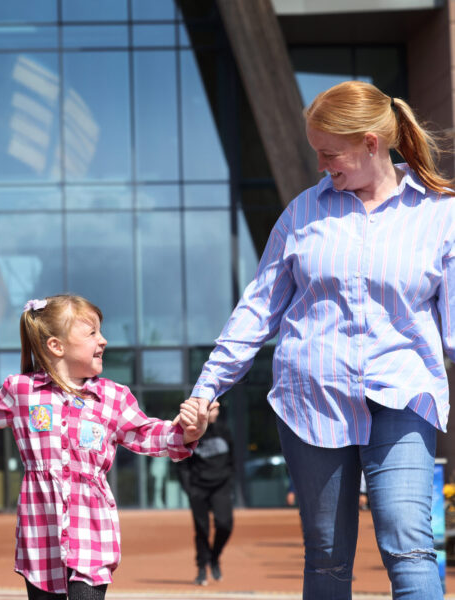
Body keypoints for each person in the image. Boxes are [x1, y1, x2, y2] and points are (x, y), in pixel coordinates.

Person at [186, 80, 454, 600]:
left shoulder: (439, 214)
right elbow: (257, 310)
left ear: (370, 144)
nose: (320, 166)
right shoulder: (303, 214)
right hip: (312, 402)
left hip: (402, 395)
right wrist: (206, 390)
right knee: (327, 556)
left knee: (409, 543)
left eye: (329, 153)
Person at [0, 295, 215, 599]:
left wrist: (186, 433)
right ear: (56, 346)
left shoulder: (114, 397)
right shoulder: (22, 391)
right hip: (39, 534)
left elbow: (147, 434)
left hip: (92, 533)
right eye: (92, 333)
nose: (103, 340)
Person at [177, 404, 234, 586]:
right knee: (202, 530)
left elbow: (232, 458)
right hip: (198, 487)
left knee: (225, 524)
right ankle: (202, 568)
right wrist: (189, 488)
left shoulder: (224, 430)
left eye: (217, 410)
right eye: (211, 410)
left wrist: (229, 479)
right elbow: (181, 462)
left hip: (221, 486)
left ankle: (214, 557)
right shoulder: (193, 432)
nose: (215, 413)